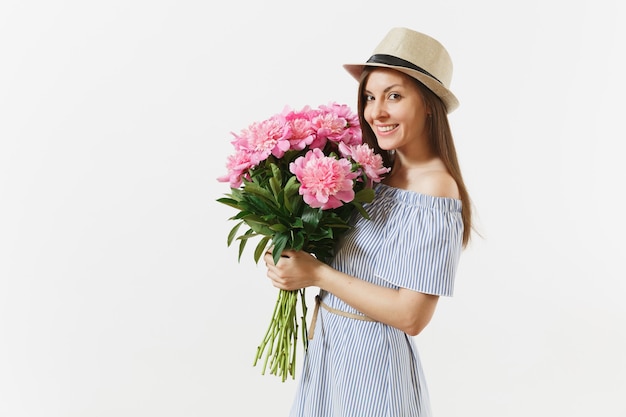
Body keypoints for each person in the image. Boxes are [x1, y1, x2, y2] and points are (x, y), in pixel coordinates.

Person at [263, 27, 472, 417]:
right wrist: (289, 256)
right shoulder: (372, 174)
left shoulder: (435, 191)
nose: (376, 112)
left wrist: (317, 274)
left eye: (394, 96)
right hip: (329, 351)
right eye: (370, 97)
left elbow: (411, 316)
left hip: (373, 367)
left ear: (428, 104)